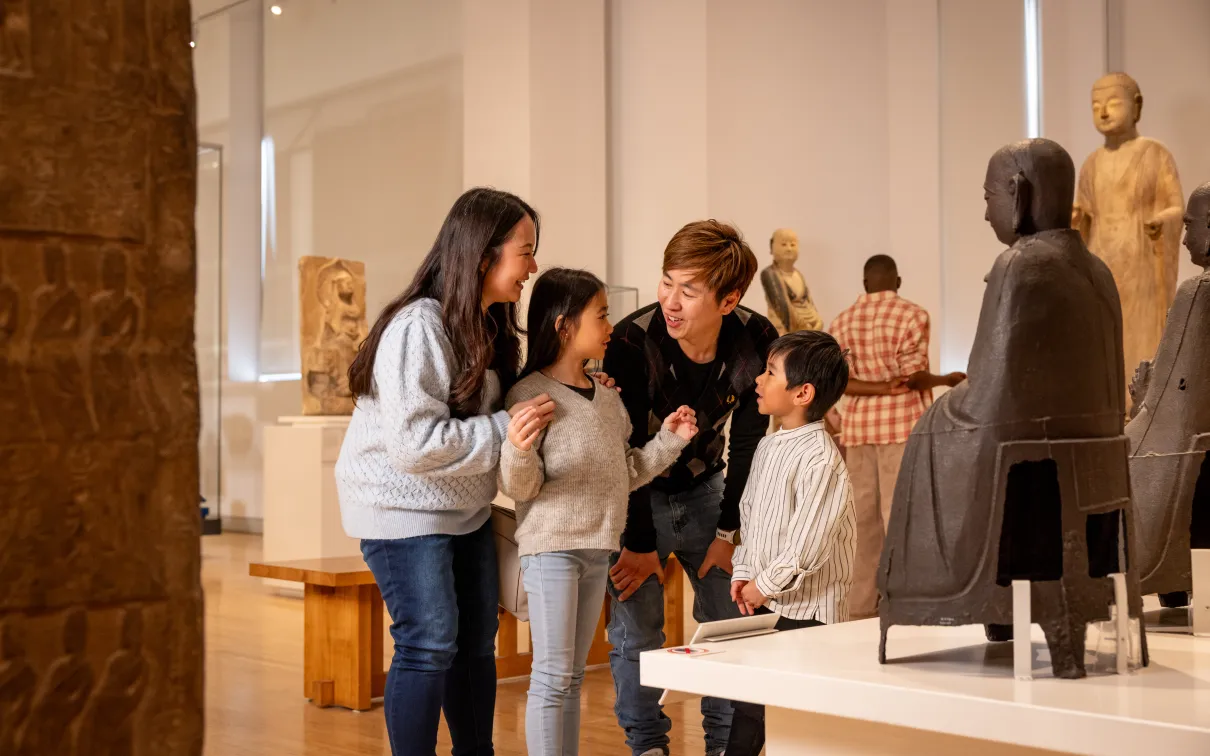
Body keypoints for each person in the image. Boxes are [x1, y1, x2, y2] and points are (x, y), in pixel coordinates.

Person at [335, 188, 557, 756]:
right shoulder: (418, 326)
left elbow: (503, 417)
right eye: (525, 251)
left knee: (477, 644)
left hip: (462, 511)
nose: (533, 267)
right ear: (484, 254)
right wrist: (507, 427)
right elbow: (413, 445)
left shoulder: (488, 325)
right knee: (429, 645)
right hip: (402, 512)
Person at [498, 267, 697, 756]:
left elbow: (624, 473)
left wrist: (672, 439)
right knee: (550, 677)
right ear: (565, 325)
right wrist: (518, 448)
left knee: (571, 676)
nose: (611, 325)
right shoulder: (528, 396)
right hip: (552, 551)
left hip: (598, 550)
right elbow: (519, 486)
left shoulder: (608, 397)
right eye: (601, 314)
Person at [603, 220, 779, 756]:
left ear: (728, 300)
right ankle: (647, 745)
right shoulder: (633, 341)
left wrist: (730, 530)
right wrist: (635, 541)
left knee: (728, 623)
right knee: (637, 633)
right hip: (639, 496)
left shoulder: (756, 339)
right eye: (666, 282)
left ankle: (726, 746)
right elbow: (624, 449)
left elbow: (747, 445)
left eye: (689, 290)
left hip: (709, 491)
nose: (670, 302)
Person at [727, 330, 855, 756]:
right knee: (749, 708)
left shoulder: (820, 458)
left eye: (769, 372)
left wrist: (764, 584)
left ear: (803, 393)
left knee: (799, 723)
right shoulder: (768, 445)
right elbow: (752, 517)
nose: (758, 381)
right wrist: (744, 571)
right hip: (766, 603)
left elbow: (808, 547)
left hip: (809, 614)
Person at [828, 255, 963, 618]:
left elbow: (842, 383)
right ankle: (906, 605)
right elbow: (913, 377)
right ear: (898, 281)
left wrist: (877, 387)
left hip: (857, 433)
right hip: (902, 429)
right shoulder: (912, 315)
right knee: (903, 517)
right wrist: (945, 379)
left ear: (864, 282)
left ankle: (858, 609)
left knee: (863, 524)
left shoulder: (841, 322)